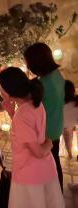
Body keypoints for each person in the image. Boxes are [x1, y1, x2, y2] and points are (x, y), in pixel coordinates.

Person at [0, 67, 66, 208]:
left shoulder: (22, 114)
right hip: (44, 170)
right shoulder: (35, 103)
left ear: (7, 92)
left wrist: (50, 141)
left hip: (29, 174)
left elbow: (38, 151)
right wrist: (11, 112)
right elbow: (27, 134)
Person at [24, 42, 65, 190]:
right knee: (55, 162)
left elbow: (31, 109)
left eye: (28, 62)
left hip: (46, 131)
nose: (28, 66)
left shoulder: (43, 84)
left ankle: (54, 197)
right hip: (56, 125)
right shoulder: (57, 75)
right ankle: (57, 194)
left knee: (49, 166)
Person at [63, 80, 78, 159]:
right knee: (68, 136)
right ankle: (69, 153)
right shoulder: (75, 102)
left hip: (62, 125)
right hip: (70, 124)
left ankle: (69, 154)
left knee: (67, 137)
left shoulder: (60, 102)